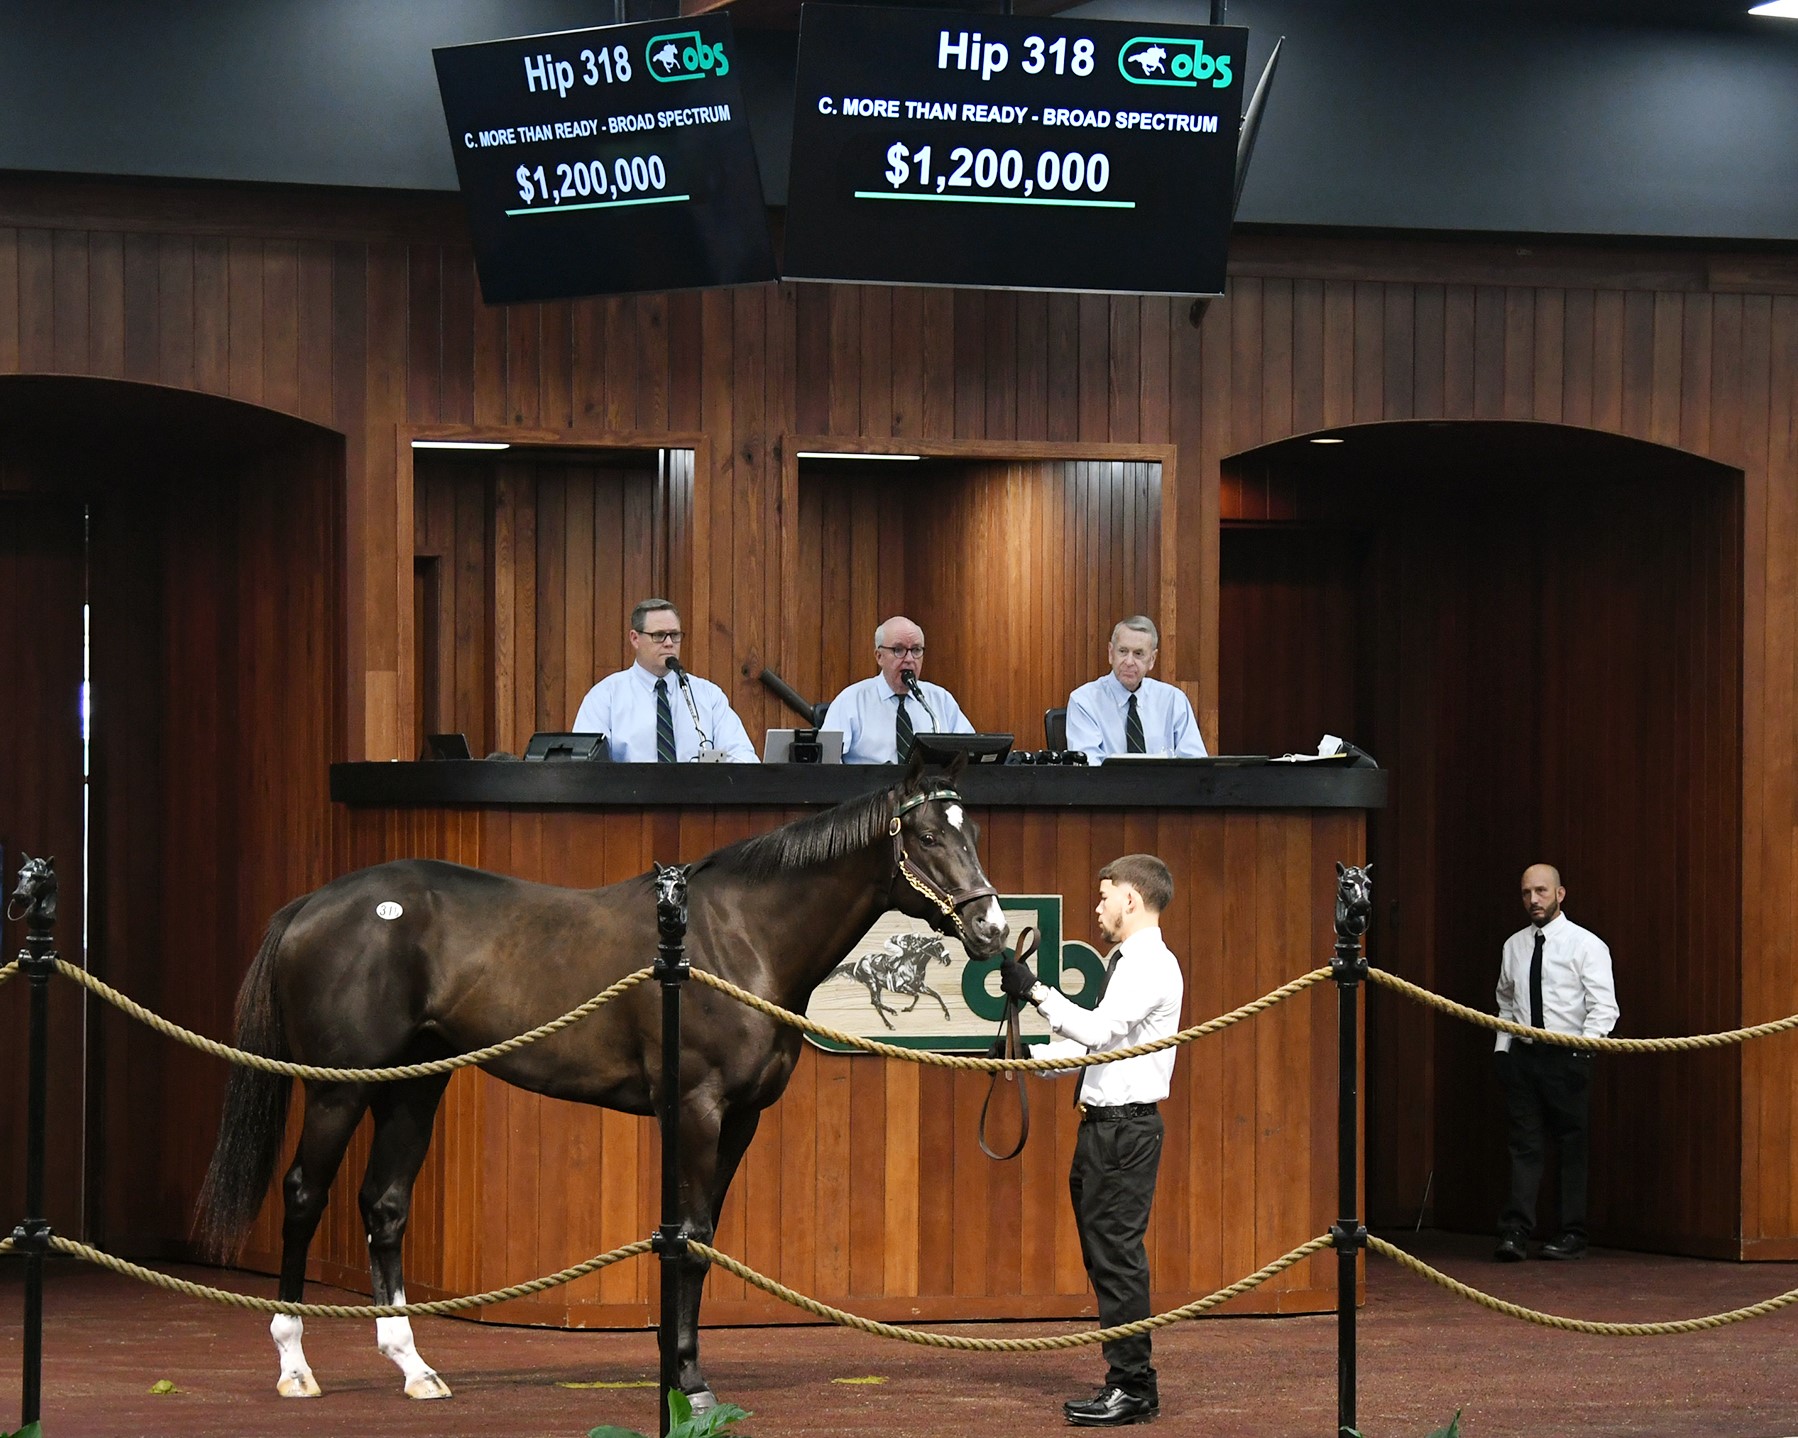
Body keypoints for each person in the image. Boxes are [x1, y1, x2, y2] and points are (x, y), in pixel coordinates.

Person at [999, 854, 1183, 1427]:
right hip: (1106, 1128)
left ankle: (1132, 1386)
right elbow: (1098, 1050)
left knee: (1118, 1259)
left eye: (1105, 896)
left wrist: (1035, 992)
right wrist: (1024, 1058)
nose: (1098, 907)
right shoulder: (1127, 962)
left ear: (1132, 898)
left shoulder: (1149, 964)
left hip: (1124, 1131)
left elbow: (1099, 1032)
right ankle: (1129, 1381)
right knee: (1107, 1258)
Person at [1492, 863, 1617, 1262]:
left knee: (1571, 1147)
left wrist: (1584, 1051)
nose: (1534, 900)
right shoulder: (1513, 946)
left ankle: (1571, 1233)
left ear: (1560, 894)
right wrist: (1503, 1051)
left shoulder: (1586, 945)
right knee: (1523, 1145)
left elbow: (1604, 1008)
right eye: (1527, 893)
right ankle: (1515, 1232)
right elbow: (1506, 1003)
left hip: (1568, 1057)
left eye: (1542, 892)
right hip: (1525, 1057)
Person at [571, 598, 757, 762]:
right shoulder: (606, 696)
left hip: (696, 799)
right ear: (635, 639)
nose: (669, 643)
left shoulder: (706, 695)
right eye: (659, 635)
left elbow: (742, 755)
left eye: (674, 635)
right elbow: (584, 763)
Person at [820, 615, 972, 764]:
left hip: (928, 787)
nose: (909, 659)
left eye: (916, 650)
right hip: (870, 787)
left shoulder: (940, 700)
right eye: (899, 650)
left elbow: (971, 751)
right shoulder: (850, 701)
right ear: (879, 656)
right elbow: (827, 760)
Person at [1065, 616, 1207, 763]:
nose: (1129, 662)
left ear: (1152, 659)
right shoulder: (1084, 701)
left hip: (1164, 785)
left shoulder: (1173, 700)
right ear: (1110, 653)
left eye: (1138, 654)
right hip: (1107, 785)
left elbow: (1196, 765)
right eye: (1123, 651)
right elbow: (1088, 770)